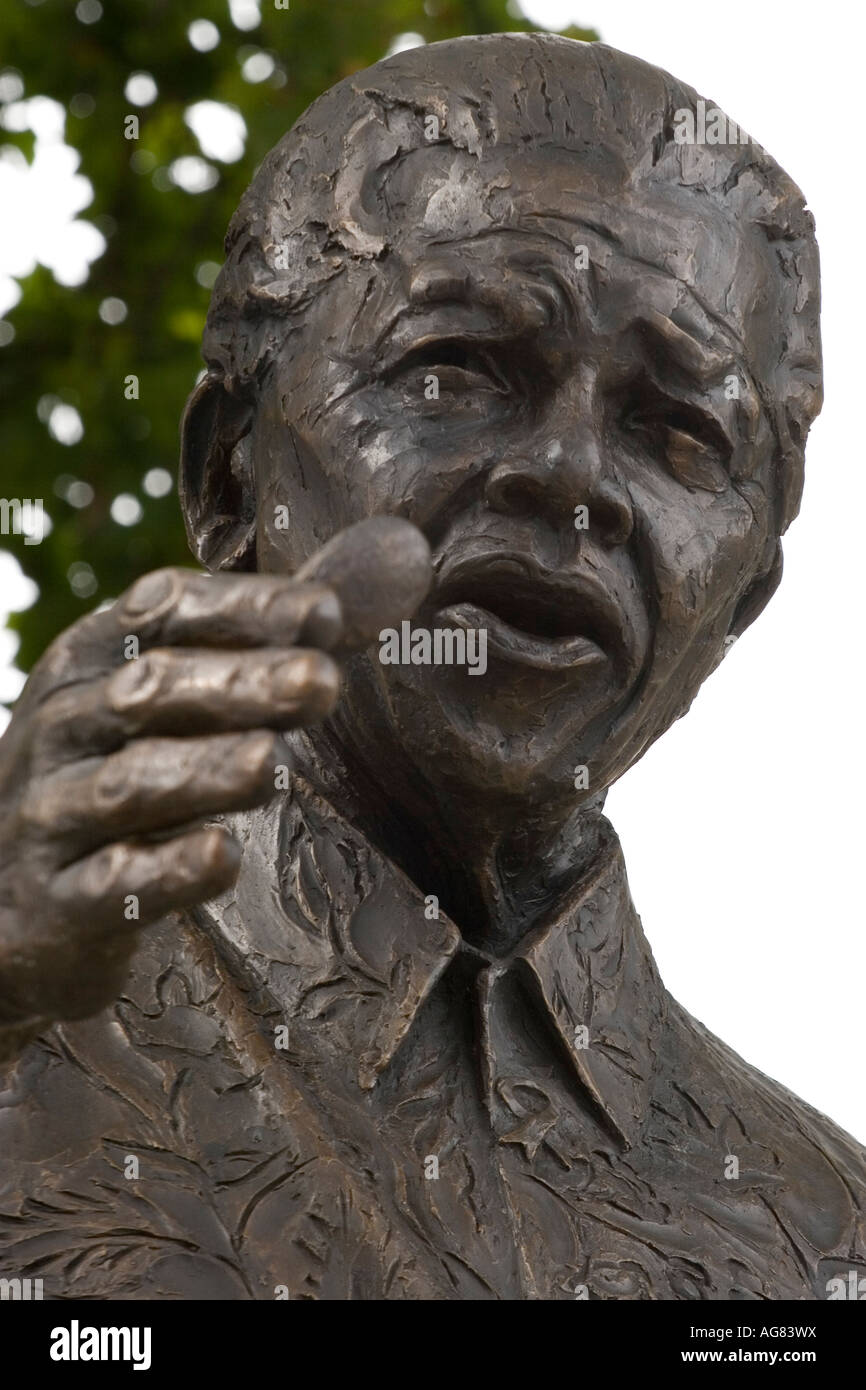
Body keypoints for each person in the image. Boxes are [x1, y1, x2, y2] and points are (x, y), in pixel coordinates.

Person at [0, 34, 861, 1300]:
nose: (567, 479)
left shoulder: (827, 1232)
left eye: (676, 428)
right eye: (452, 370)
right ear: (226, 474)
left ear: (741, 601)